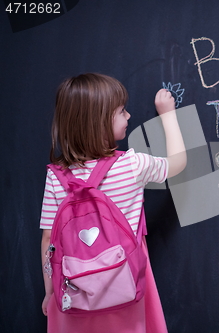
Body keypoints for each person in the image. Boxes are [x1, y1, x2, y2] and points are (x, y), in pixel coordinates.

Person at [40, 73, 186, 333]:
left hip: (72, 292)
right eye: (122, 111)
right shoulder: (132, 165)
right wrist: (168, 114)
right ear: (99, 123)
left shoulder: (56, 175)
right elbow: (178, 164)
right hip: (125, 285)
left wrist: (50, 291)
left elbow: (48, 239)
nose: (129, 116)